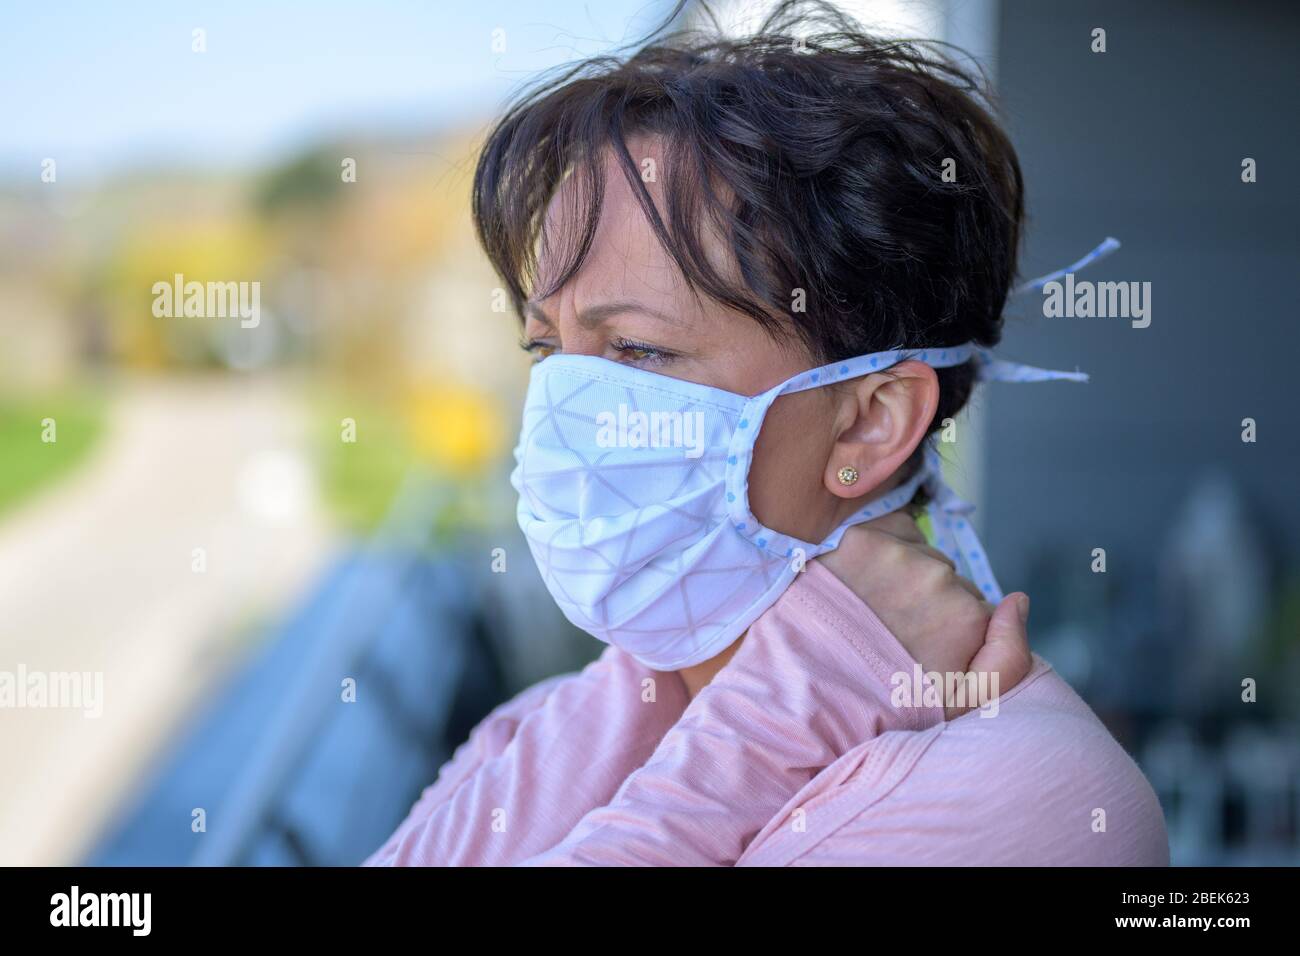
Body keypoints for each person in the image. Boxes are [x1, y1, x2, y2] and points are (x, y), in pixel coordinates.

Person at [364, 1, 1168, 866]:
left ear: (868, 421)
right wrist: (777, 691)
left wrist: (814, 686)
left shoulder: (1026, 795)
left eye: (636, 350)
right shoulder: (535, 726)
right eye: (548, 349)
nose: (567, 409)